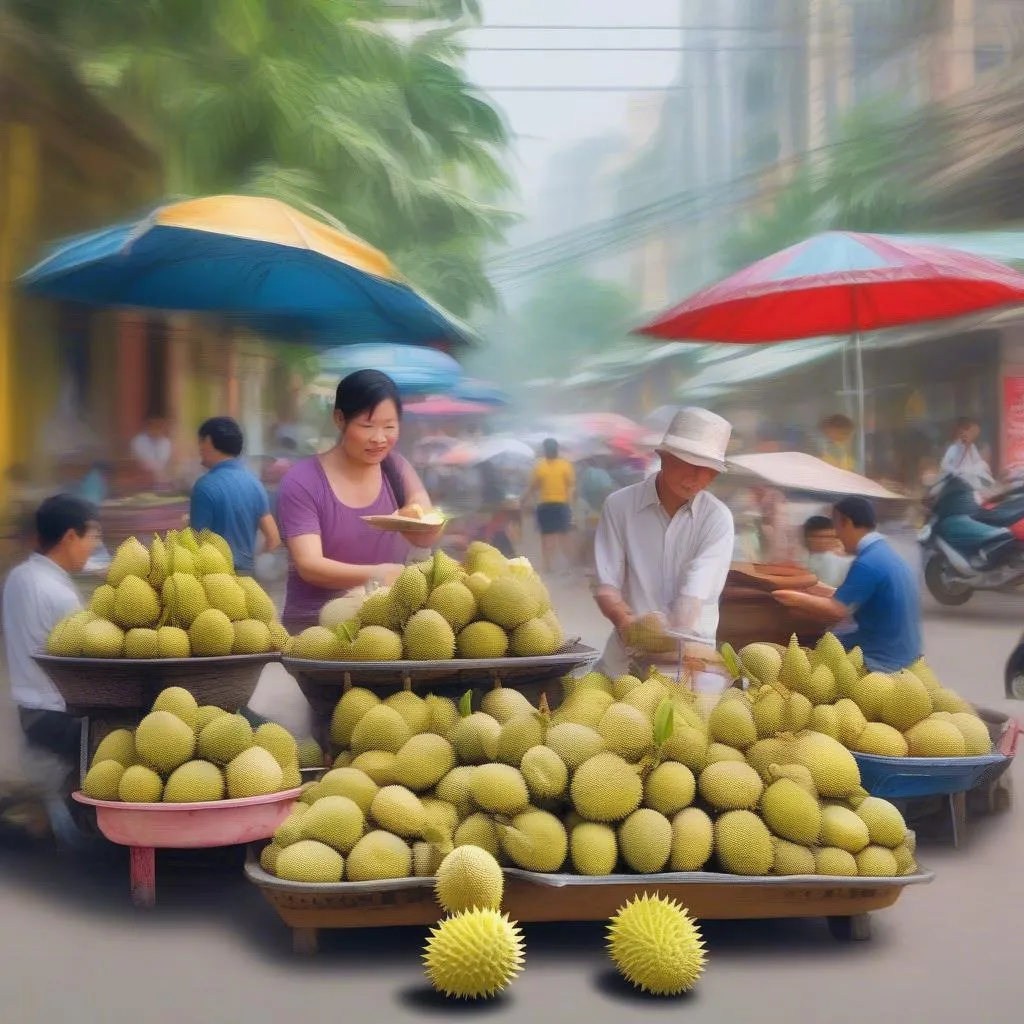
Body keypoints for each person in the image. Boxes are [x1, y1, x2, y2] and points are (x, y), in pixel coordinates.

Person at [274, 370, 442, 633]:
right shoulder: (302, 481)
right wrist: (378, 574)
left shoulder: (396, 469)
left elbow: (426, 524)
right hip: (315, 634)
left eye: (389, 426)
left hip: (385, 626)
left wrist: (420, 524)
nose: (379, 438)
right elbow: (309, 565)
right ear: (340, 419)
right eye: (367, 426)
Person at [593, 407, 735, 682]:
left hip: (692, 665)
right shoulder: (620, 506)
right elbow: (606, 585)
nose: (697, 477)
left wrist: (673, 640)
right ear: (663, 457)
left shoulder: (717, 519)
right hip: (625, 663)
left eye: (708, 471)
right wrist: (628, 625)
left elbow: (695, 592)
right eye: (690, 464)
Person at [1, 495, 102, 848]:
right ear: (70, 537)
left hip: (29, 713)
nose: (95, 546)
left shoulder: (18, 577)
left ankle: (43, 819)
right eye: (92, 536)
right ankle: (76, 825)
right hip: (57, 717)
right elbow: (87, 660)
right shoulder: (60, 594)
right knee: (126, 740)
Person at [772, 496, 921, 673]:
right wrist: (814, 593)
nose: (835, 535)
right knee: (830, 639)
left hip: (882, 660)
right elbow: (849, 597)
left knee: (805, 660)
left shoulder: (867, 562)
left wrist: (794, 598)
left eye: (836, 526)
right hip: (904, 653)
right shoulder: (884, 553)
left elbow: (836, 609)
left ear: (846, 522)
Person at [190, 416, 281, 575]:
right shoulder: (254, 483)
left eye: (201, 442)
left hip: (213, 582)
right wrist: (248, 562)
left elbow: (197, 543)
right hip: (246, 581)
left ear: (209, 442)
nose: (199, 449)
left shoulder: (204, 486)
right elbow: (273, 539)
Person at [524, 438, 576, 574]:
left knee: (550, 537)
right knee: (561, 536)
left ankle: (551, 566)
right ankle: (560, 566)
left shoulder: (540, 466)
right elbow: (571, 486)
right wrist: (570, 504)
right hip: (558, 505)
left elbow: (532, 487)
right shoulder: (565, 465)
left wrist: (524, 500)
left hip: (549, 506)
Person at [941, 417, 995, 494]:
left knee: (982, 472)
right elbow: (945, 465)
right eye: (971, 432)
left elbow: (978, 462)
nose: (973, 436)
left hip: (972, 476)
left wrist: (982, 466)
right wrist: (956, 472)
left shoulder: (972, 447)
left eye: (974, 434)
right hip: (959, 478)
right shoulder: (954, 448)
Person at [802, 514, 852, 588]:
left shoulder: (832, 559)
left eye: (830, 537)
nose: (824, 541)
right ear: (806, 538)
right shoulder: (801, 559)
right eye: (819, 537)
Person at [129, 415, 173, 488]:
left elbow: (163, 461)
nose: (157, 430)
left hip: (160, 477)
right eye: (154, 427)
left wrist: (161, 474)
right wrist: (156, 473)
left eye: (160, 428)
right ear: (149, 428)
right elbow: (143, 460)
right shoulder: (138, 440)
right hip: (142, 476)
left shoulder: (165, 442)